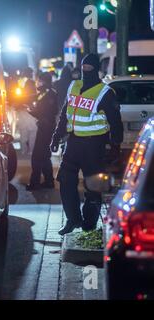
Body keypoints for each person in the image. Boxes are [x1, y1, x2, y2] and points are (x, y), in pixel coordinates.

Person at [51, 54, 123, 236]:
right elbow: (65, 114)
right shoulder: (73, 86)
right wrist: (56, 136)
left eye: (90, 68)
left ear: (96, 69)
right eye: (84, 67)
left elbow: (116, 122)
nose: (86, 71)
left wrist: (115, 146)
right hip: (73, 143)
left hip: (94, 145)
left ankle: (89, 224)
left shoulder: (105, 92)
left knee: (93, 186)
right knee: (66, 182)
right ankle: (73, 219)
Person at [26, 72, 58, 191]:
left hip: (46, 128)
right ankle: (49, 181)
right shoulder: (46, 93)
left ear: (44, 81)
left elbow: (47, 112)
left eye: (39, 81)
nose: (37, 83)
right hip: (45, 127)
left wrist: (32, 111)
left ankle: (35, 183)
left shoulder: (50, 94)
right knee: (44, 156)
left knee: (36, 157)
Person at [17, 67, 38, 155]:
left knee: (23, 131)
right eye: (31, 73)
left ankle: (23, 150)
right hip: (30, 110)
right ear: (29, 73)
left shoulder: (19, 82)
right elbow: (34, 96)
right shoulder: (32, 82)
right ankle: (31, 151)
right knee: (32, 131)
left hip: (21, 109)